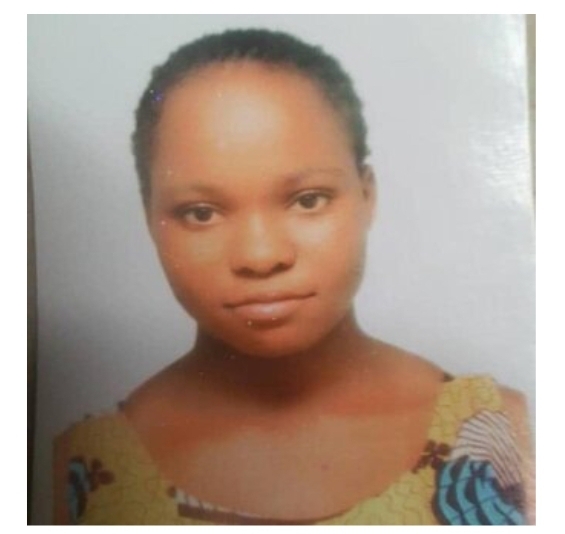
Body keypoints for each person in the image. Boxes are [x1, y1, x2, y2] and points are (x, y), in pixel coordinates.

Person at [52, 28, 534, 525]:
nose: (261, 256)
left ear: (367, 195)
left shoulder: (499, 432)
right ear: (150, 218)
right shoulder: (89, 471)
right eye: (201, 213)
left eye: (308, 201)